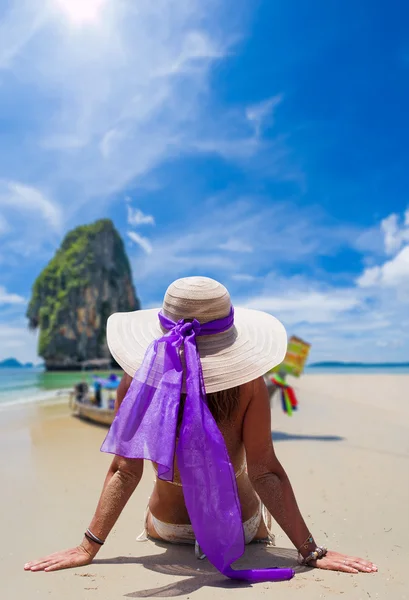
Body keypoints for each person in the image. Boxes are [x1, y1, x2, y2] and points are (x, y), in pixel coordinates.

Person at [24, 277, 377, 579]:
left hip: (168, 528)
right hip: (239, 530)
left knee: (154, 497)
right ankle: (259, 527)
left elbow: (124, 470)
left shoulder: (138, 377)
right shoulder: (250, 383)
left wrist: (88, 546)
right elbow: (265, 471)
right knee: (251, 496)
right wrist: (311, 551)